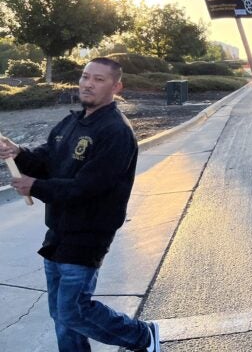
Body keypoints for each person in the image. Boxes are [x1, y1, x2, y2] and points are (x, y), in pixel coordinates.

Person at [0, 57, 159, 352]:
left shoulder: (115, 131)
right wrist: (18, 152)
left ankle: (143, 336)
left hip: (89, 232)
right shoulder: (71, 123)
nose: (88, 83)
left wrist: (35, 186)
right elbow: (46, 159)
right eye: (86, 76)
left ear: (116, 86)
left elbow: (90, 187)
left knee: (73, 310)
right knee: (61, 315)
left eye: (99, 79)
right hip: (58, 229)